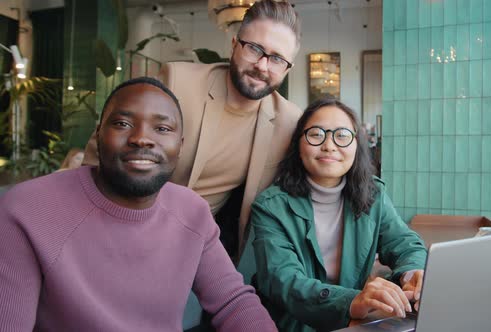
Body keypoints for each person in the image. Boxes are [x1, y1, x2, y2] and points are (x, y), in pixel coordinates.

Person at [0, 77, 276, 332]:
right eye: (122, 124)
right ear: (98, 136)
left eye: (162, 128)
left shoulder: (192, 211)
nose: (142, 138)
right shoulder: (27, 210)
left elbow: (233, 302)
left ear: (179, 146)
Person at [83, 0, 302, 260]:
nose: (263, 66)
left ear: (288, 68)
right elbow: (103, 148)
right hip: (119, 222)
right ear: (234, 45)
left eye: (277, 58)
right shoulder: (177, 81)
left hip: (196, 247)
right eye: (254, 49)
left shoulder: (289, 121)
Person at [250, 98, 427, 332]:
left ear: (357, 144)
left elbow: (404, 244)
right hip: (290, 324)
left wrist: (412, 273)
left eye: (342, 135)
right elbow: (282, 280)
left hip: (352, 323)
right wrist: (351, 301)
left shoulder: (373, 194)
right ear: (298, 143)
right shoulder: (271, 206)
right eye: (316, 134)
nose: (329, 146)